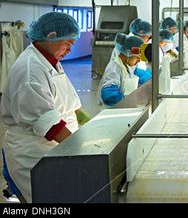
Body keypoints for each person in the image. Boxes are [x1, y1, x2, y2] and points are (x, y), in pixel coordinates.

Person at [0, 12, 90, 202]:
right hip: (34, 153)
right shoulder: (30, 71)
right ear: (51, 37)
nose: (70, 50)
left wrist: (88, 123)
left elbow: (68, 103)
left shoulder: (50, 62)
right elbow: (51, 127)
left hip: (57, 148)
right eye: (68, 43)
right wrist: (85, 153)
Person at [99, 33, 152, 108]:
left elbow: (142, 75)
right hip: (113, 110)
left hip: (123, 107)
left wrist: (153, 81)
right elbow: (108, 96)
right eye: (137, 58)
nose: (139, 61)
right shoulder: (114, 68)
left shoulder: (128, 66)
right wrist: (129, 99)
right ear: (128, 53)